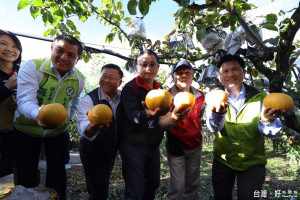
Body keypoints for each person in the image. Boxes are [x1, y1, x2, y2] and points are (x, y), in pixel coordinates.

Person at [13, 34, 85, 200]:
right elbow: (24, 100)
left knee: (58, 174)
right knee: (26, 176)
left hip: (58, 133)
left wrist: (67, 119)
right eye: (59, 50)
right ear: (52, 49)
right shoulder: (33, 67)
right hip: (26, 129)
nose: (64, 57)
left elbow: (74, 103)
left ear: (78, 59)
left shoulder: (79, 79)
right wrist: (40, 115)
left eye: (71, 55)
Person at [206, 54, 284, 200]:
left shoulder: (261, 97)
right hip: (223, 161)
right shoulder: (213, 97)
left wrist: (267, 120)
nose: (230, 74)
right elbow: (213, 128)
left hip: (252, 163)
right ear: (219, 75)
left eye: (235, 69)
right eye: (225, 71)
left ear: (244, 72)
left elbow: (273, 133)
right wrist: (218, 114)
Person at [119, 49, 190, 200]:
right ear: (137, 66)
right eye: (143, 64)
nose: (148, 68)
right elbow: (133, 117)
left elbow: (162, 123)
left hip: (152, 147)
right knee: (134, 189)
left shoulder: (160, 90)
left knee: (152, 185)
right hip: (133, 148)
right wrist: (148, 114)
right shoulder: (130, 89)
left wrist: (174, 117)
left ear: (158, 67)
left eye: (152, 64)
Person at [76, 64, 123, 200]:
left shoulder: (123, 98)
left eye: (111, 77)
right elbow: (85, 130)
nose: (106, 80)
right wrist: (95, 125)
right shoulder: (89, 100)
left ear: (120, 82)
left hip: (111, 150)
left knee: (102, 185)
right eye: (103, 76)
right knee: (99, 190)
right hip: (92, 151)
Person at [166, 60, 205, 200]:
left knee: (193, 183)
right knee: (177, 186)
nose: (183, 76)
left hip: (195, 144)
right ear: (173, 76)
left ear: (192, 75)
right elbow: (164, 121)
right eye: (179, 73)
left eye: (187, 73)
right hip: (176, 146)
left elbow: (199, 115)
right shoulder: (167, 96)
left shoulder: (200, 95)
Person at [0, 29, 22, 178]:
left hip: (20, 135)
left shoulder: (24, 72)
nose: (10, 49)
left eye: (15, 46)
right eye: (3, 44)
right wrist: (7, 87)